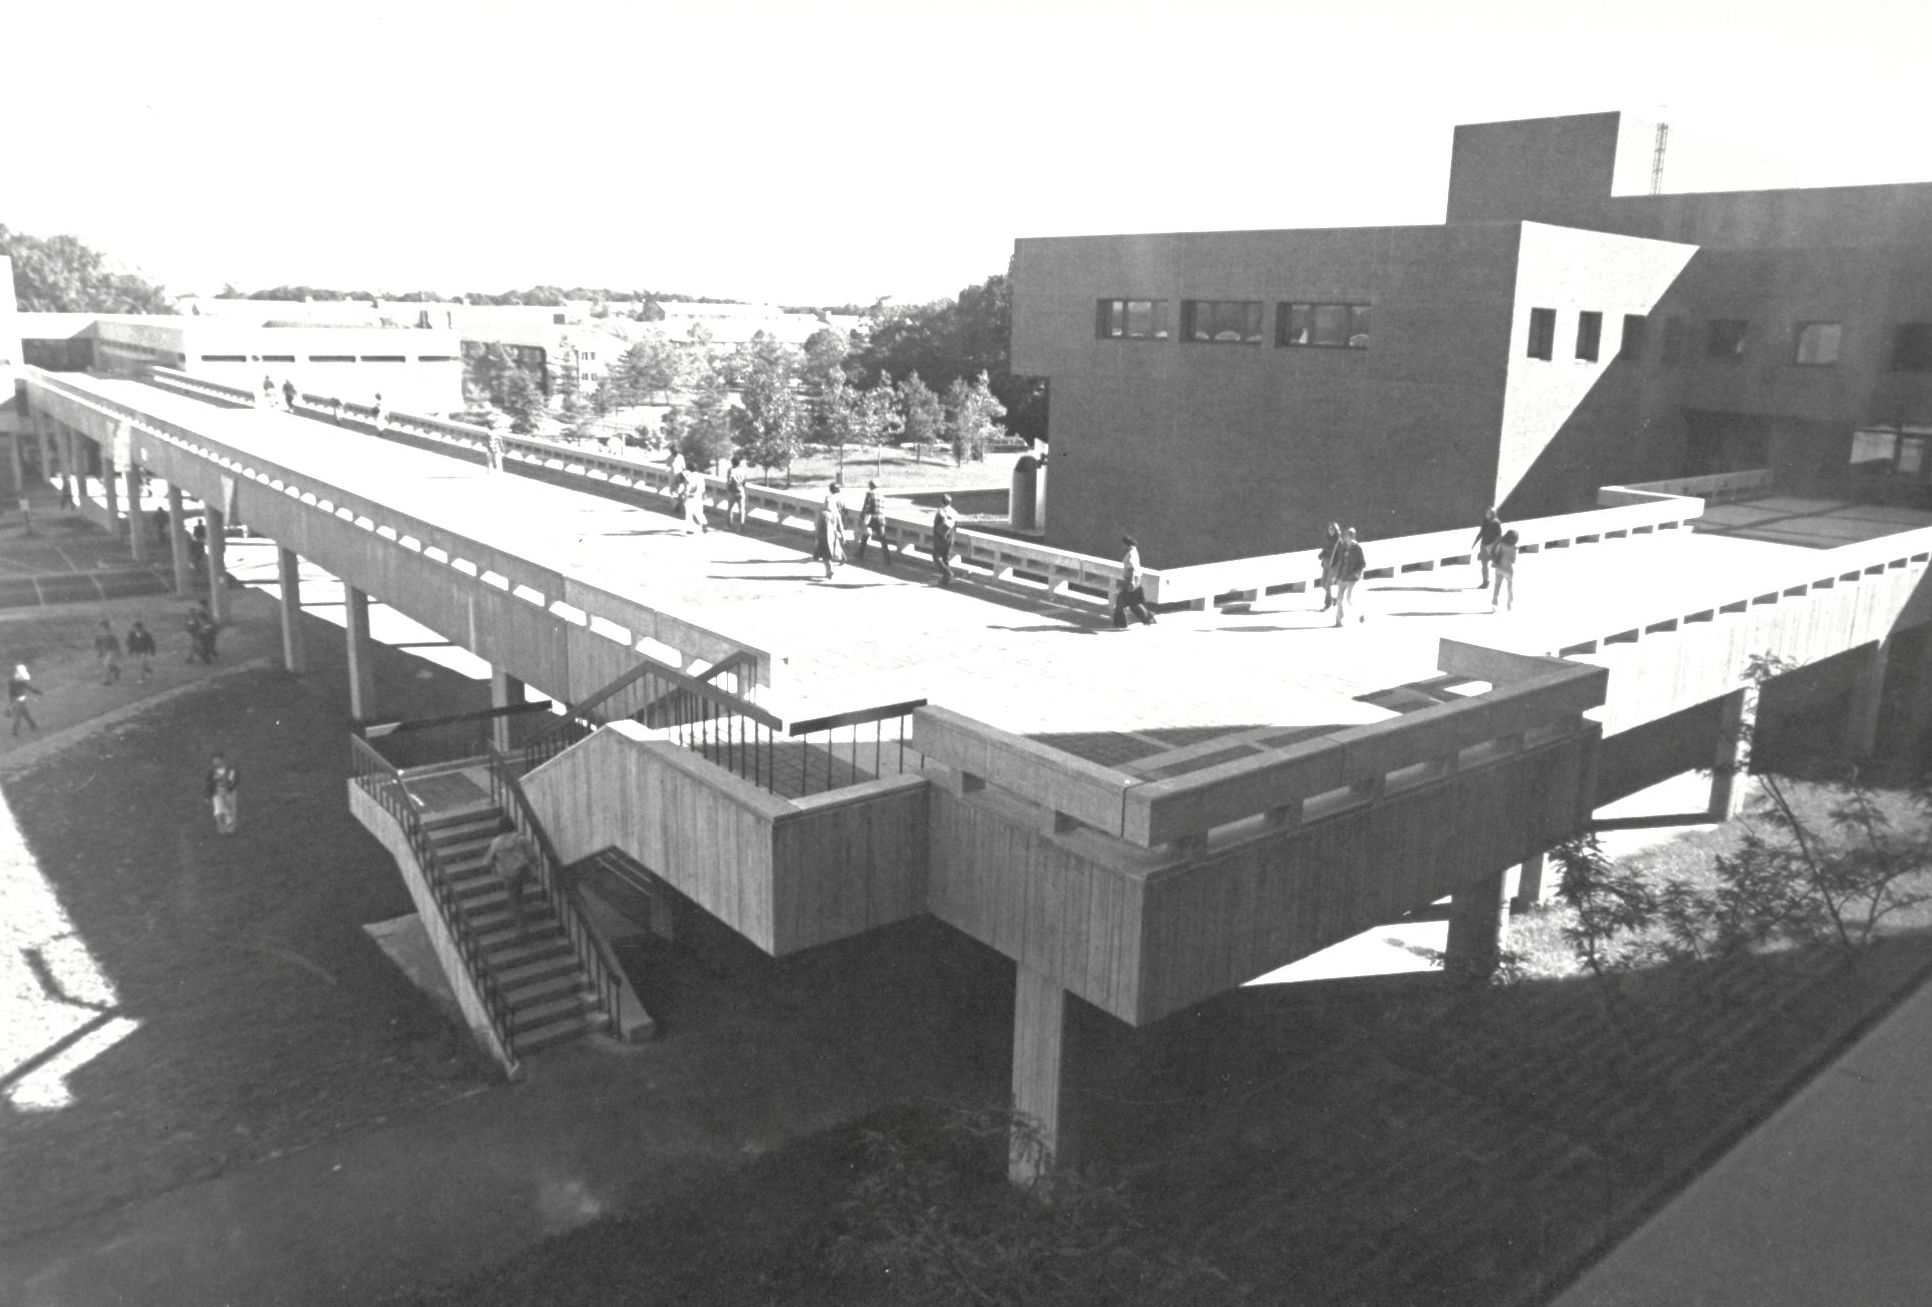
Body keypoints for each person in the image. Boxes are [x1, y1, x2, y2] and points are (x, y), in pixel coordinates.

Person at [485, 826, 539, 935]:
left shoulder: (495, 843)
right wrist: (535, 866)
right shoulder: (521, 839)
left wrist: (496, 866)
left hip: (509, 875)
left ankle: (522, 930)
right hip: (523, 872)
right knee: (519, 889)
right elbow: (533, 856)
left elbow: (488, 862)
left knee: (515, 900)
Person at [1112, 536, 1157, 628]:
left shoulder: (1131, 553)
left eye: (1123, 545)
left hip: (1131, 579)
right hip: (1135, 579)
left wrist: (1131, 581)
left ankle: (1120, 623)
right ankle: (1148, 619)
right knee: (1133, 603)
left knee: (1121, 602)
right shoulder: (1134, 552)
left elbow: (1132, 568)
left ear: (1126, 544)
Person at [1333, 527, 1368, 626]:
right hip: (1342, 577)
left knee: (1349, 599)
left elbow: (1362, 564)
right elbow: (1340, 562)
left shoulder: (1357, 548)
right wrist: (1337, 576)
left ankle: (1360, 614)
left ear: (1351, 536)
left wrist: (1357, 574)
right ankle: (1338, 621)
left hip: (1352, 579)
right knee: (1339, 600)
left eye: (1346, 535)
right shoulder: (1343, 547)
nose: (1344, 537)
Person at [855, 479, 894, 566]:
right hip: (881, 519)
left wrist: (861, 519)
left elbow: (866, 507)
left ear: (870, 486)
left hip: (872, 518)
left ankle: (859, 555)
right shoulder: (882, 495)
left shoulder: (870, 493)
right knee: (883, 540)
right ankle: (887, 560)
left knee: (865, 536)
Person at [812, 481, 846, 579]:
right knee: (833, 543)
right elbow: (842, 514)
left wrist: (816, 530)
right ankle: (839, 559)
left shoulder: (827, 500)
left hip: (825, 523)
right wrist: (843, 534)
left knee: (824, 546)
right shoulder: (841, 498)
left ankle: (829, 569)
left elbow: (819, 522)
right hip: (835, 522)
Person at [206, 751, 240, 836]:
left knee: (230, 810)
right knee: (218, 810)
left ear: (223, 760)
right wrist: (207, 795)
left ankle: (230, 829)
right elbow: (208, 783)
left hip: (229, 793)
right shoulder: (211, 771)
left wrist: (228, 788)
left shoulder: (231, 769)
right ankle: (222, 828)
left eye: (217, 760)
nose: (215, 762)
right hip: (216, 793)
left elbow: (233, 780)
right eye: (214, 760)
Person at [1471, 507, 1504, 590]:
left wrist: (1497, 546)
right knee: (1484, 564)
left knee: (1496, 564)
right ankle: (1485, 581)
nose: (1487, 514)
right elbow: (1481, 532)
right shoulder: (1485, 521)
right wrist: (1475, 542)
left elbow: (1499, 536)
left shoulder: (1496, 523)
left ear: (1492, 513)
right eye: (1486, 513)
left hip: (1492, 544)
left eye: (1489, 513)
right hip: (1484, 545)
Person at [8, 664, 43, 737]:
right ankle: (14, 733)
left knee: (26, 714)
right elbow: (12, 692)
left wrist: (39, 692)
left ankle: (33, 726)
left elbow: (29, 687)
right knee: (18, 718)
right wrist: (12, 703)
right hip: (16, 702)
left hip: (21, 701)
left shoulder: (21, 680)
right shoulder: (13, 681)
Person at [930, 494, 958, 586]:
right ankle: (946, 579)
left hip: (939, 539)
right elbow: (955, 527)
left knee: (936, 557)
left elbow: (935, 525)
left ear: (941, 502)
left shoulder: (940, 512)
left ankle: (947, 573)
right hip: (950, 538)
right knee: (945, 558)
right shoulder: (954, 513)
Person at [1490, 528, 1520, 612]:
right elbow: (1513, 560)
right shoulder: (1513, 548)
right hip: (1508, 569)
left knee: (1497, 586)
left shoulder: (1500, 544)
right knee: (1509, 586)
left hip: (1499, 568)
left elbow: (1494, 553)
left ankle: (1494, 603)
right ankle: (1509, 603)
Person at [1318, 522, 1344, 611]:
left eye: (1333, 529)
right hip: (1326, 563)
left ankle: (1327, 604)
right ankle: (1334, 598)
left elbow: (1341, 554)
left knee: (1328, 584)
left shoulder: (1339, 541)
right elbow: (1325, 549)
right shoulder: (1327, 539)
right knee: (1323, 583)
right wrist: (1321, 554)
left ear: (1336, 530)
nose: (1331, 530)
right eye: (1329, 528)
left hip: (1334, 565)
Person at [680, 464, 710, 534]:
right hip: (699, 497)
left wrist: (684, 494)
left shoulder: (688, 476)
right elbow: (703, 488)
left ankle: (690, 529)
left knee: (689, 514)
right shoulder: (701, 476)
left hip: (690, 497)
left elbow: (686, 486)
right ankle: (704, 523)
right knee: (699, 512)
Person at [725, 453, 751, 530]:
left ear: (732, 462)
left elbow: (729, 481)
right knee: (741, 509)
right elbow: (744, 482)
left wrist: (728, 489)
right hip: (741, 490)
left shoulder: (731, 470)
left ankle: (729, 526)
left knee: (730, 509)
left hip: (733, 491)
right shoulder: (744, 471)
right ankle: (740, 527)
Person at [94, 620, 123, 685]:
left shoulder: (111, 635)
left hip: (111, 651)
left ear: (107, 626)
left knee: (106, 664)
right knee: (107, 665)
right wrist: (98, 651)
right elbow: (97, 645)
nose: (101, 628)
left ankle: (107, 681)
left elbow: (116, 644)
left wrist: (118, 652)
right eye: (101, 627)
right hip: (103, 652)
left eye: (103, 626)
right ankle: (116, 670)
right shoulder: (98, 635)